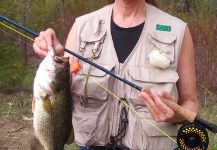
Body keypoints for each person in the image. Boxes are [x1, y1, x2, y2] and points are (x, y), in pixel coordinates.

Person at [33, 0, 199, 149]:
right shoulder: (82, 27)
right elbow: (58, 92)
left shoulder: (178, 31)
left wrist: (178, 115)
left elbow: (190, 102)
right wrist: (52, 51)